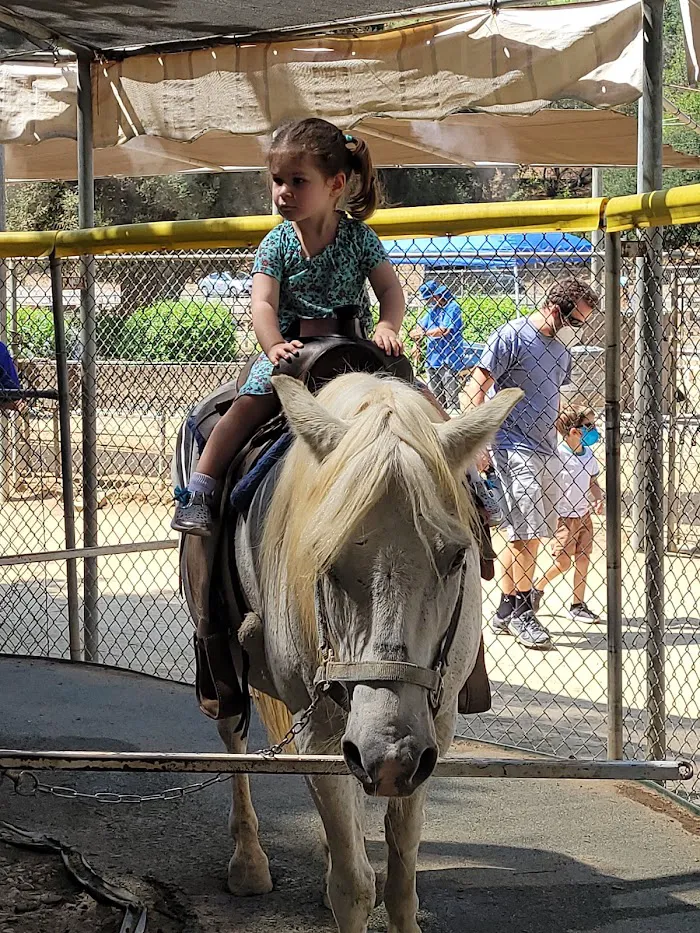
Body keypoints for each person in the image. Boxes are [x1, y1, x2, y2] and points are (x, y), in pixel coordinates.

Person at [172, 118, 405, 536]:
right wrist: (273, 344)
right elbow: (262, 303)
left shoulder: (359, 238)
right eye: (277, 180)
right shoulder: (276, 243)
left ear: (336, 184)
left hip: (354, 349)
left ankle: (471, 488)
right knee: (247, 405)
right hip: (294, 350)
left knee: (414, 397)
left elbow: (390, 289)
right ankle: (201, 491)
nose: (284, 192)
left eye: (298, 181)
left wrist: (388, 326)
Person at [465, 278, 598, 649]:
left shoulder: (560, 351)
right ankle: (525, 612)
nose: (577, 329)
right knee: (528, 533)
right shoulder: (512, 335)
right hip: (511, 443)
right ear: (556, 309)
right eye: (575, 321)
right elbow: (475, 387)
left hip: (547, 447)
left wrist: (574, 440)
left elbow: (553, 401)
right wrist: (478, 443)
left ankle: (507, 607)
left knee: (524, 532)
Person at [532, 405, 604, 623]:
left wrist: (598, 496)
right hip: (563, 518)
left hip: (583, 515)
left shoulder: (588, 454)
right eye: (589, 426)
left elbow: (593, 481)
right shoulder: (558, 455)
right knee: (562, 563)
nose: (594, 429)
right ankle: (537, 587)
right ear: (574, 431)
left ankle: (577, 604)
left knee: (583, 560)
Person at [409, 281, 466, 412]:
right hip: (433, 359)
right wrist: (416, 343)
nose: (429, 302)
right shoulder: (432, 311)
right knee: (436, 399)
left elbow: (444, 330)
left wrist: (423, 334)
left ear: (438, 295)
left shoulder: (452, 307)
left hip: (449, 358)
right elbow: (420, 327)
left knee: (451, 397)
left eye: (431, 298)